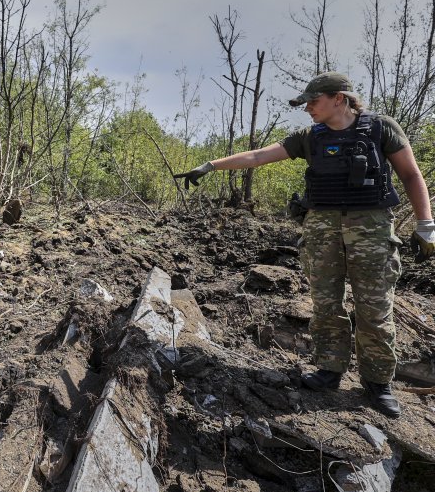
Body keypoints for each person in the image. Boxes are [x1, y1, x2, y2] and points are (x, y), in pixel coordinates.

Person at [174, 72, 435, 418]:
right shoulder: (309, 138)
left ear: (339, 98)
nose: (308, 108)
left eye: (314, 101)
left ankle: (378, 382)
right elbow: (257, 156)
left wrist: (426, 225)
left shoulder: (381, 128)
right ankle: (330, 369)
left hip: (371, 231)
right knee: (326, 303)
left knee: (374, 308)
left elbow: (411, 174)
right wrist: (210, 165)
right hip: (321, 229)